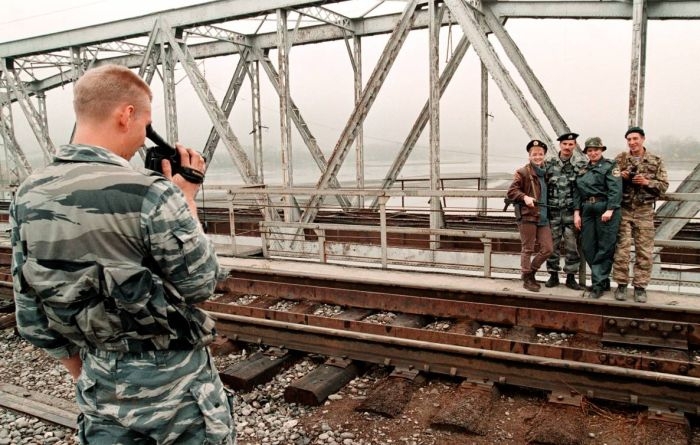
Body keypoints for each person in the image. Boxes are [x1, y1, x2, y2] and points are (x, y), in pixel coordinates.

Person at [10, 64, 235, 444]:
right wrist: (185, 197)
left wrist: (88, 372)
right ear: (127, 114)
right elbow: (200, 283)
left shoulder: (28, 195)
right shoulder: (151, 193)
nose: (145, 138)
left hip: (99, 387)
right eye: (147, 125)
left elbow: (31, 316)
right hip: (179, 395)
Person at [612, 126, 669, 303]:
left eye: (635, 139)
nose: (632, 142)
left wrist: (646, 182)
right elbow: (609, 182)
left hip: (644, 211)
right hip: (625, 209)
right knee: (622, 250)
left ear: (643, 139)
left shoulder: (656, 160)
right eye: (629, 139)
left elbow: (664, 186)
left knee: (644, 251)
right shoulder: (620, 159)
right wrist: (621, 177)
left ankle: (640, 287)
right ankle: (621, 285)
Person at [573, 137, 622, 299]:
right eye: (590, 150)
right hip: (587, 209)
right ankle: (601, 280)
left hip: (604, 209)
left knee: (605, 247)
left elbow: (615, 189)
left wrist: (610, 209)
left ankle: (598, 284)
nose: (593, 153)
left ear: (602, 151)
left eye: (596, 150)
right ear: (586, 152)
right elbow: (577, 193)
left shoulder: (610, 166)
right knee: (587, 246)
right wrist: (576, 212)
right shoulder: (582, 170)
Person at [507, 139, 554, 292]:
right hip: (528, 216)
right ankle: (527, 277)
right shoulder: (523, 172)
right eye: (534, 154)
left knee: (548, 249)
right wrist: (524, 197)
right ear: (529, 156)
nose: (537, 157)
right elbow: (512, 191)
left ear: (544, 155)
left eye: (540, 154)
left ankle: (531, 271)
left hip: (543, 216)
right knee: (527, 249)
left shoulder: (546, 172)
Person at [544, 132, 587, 290]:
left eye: (571, 144)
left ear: (575, 146)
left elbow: (583, 188)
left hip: (571, 212)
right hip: (553, 211)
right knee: (552, 245)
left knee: (572, 246)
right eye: (565, 144)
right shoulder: (550, 163)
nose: (568, 147)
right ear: (559, 145)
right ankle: (553, 275)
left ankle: (570, 277)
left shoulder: (581, 164)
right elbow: (538, 179)